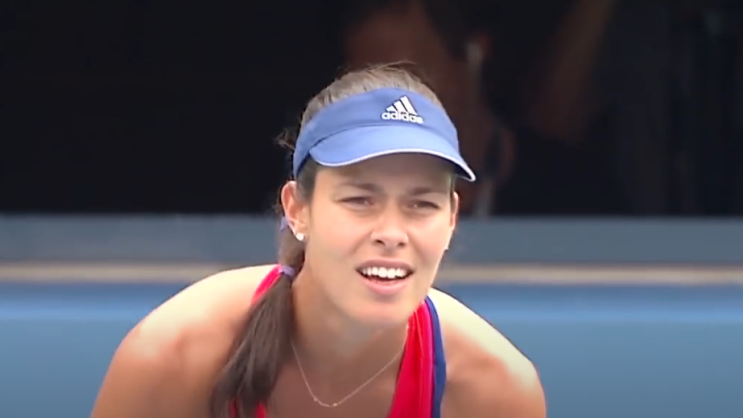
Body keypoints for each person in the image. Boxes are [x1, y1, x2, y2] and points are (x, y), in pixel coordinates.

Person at [90, 66, 546, 418]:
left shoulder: (497, 390)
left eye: (421, 204)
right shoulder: (172, 357)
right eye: (360, 200)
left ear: (451, 220)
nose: (391, 233)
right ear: (297, 209)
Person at [341, 0, 625, 216]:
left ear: (473, 57)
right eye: (369, 88)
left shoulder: (576, 197)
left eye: (409, 78)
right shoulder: (345, 202)